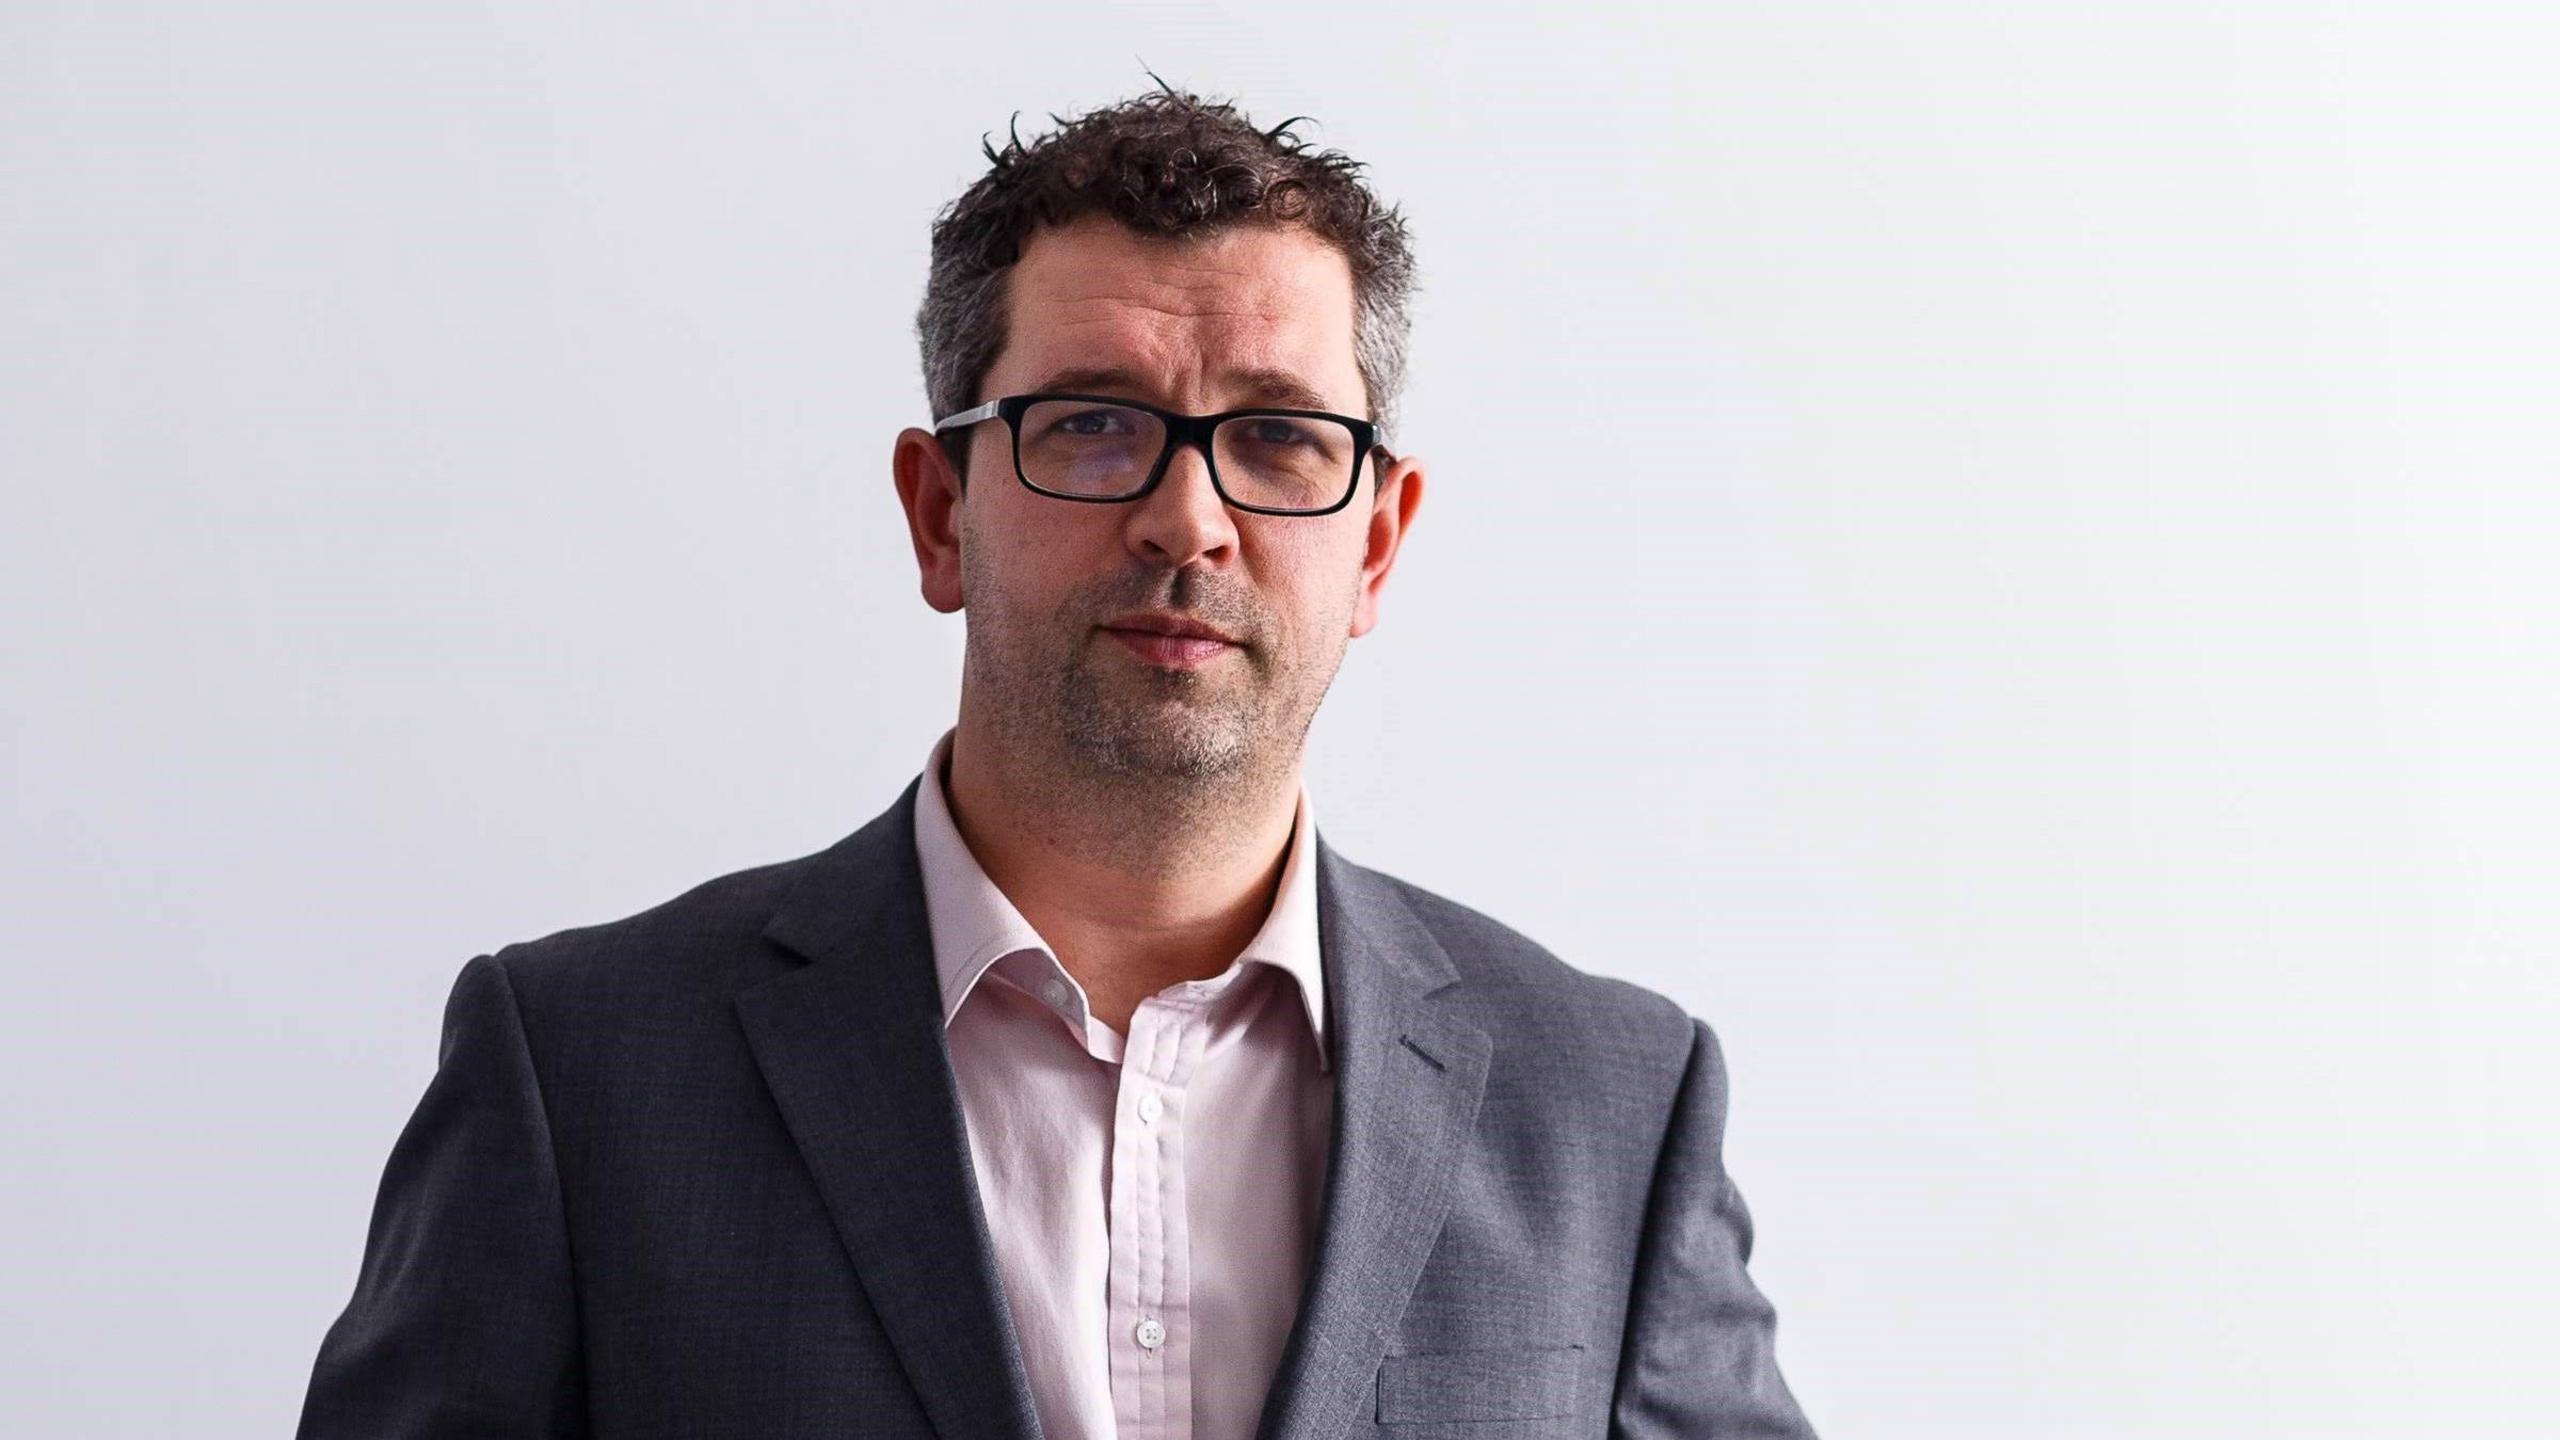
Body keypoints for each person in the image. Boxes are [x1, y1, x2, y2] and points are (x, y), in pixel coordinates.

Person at [296, 85, 1817, 1440]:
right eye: (1093, 427)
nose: (1188, 520)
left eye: (1282, 439)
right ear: (940, 512)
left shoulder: (1612, 1110)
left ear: (1379, 542)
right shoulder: (583, 1075)